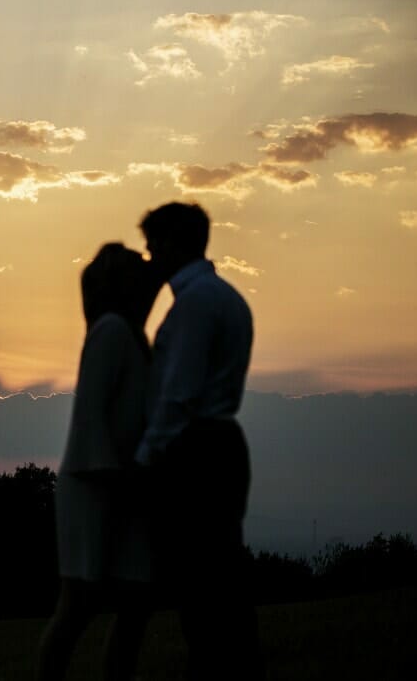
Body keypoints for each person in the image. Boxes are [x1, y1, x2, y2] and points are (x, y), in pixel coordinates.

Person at [135, 202, 263, 680]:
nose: (150, 256)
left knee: (204, 589)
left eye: (154, 245)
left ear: (175, 244)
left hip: (198, 451)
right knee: (222, 582)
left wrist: (146, 458)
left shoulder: (195, 304)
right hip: (220, 445)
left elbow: (179, 394)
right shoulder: (225, 297)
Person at [38, 243, 162, 681]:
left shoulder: (128, 332)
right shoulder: (111, 331)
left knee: (134, 598)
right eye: (135, 268)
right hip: (95, 482)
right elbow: (91, 413)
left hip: (121, 480)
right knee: (78, 603)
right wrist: (118, 476)